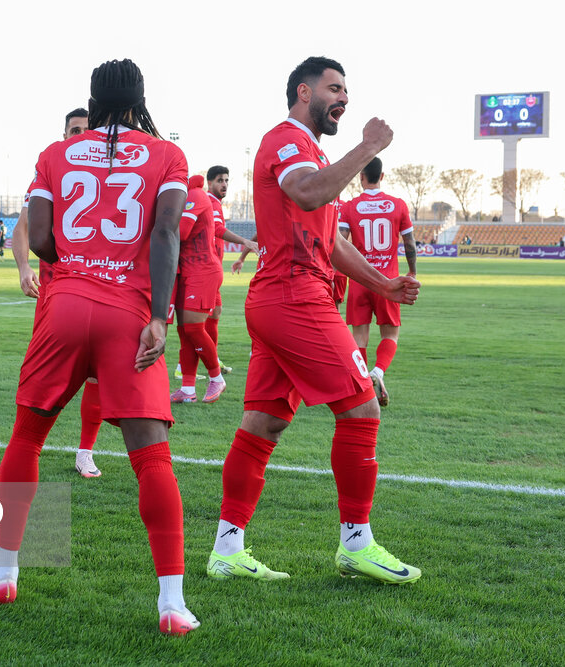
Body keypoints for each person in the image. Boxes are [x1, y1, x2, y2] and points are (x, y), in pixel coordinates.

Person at [0, 59, 200, 636]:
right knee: (151, 458)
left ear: (93, 100)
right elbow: (165, 232)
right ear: (139, 101)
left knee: (27, 437)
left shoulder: (56, 153)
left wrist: (78, 269)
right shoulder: (167, 155)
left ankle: (3, 573)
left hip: (65, 304)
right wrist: (158, 316)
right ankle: (172, 604)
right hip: (130, 313)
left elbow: (41, 236)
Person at [206, 56, 422, 586]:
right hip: (294, 297)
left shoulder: (312, 153)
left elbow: (331, 241)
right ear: (304, 92)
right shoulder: (286, 140)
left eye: (346, 90)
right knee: (363, 407)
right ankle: (356, 543)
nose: (343, 97)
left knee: (264, 422)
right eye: (334, 88)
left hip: (284, 297)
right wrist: (368, 147)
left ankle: (226, 550)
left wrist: (383, 284)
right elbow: (306, 192)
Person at [11, 108, 103, 478]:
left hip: (96, 293)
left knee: (96, 375)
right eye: (74, 130)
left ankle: (85, 452)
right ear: (64, 135)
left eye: (86, 129)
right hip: (53, 296)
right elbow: (22, 227)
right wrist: (23, 267)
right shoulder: (49, 172)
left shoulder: (109, 175)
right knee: (39, 380)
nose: (80, 135)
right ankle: (25, 445)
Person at [340, 157, 417, 406]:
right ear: (382, 176)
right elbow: (409, 243)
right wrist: (412, 271)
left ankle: (364, 386)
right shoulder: (398, 205)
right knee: (390, 335)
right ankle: (378, 372)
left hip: (360, 280)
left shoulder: (350, 207)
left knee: (359, 338)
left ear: (361, 177)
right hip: (388, 282)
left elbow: (339, 243)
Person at [170, 175, 226, 404]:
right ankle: (187, 389)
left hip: (203, 271)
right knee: (185, 333)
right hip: (186, 271)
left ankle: (217, 378)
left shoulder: (194, 194)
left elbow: (182, 232)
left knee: (194, 328)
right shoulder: (183, 196)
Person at [205, 165, 258, 375]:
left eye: (227, 180)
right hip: (206, 269)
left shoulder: (213, 203)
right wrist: (245, 241)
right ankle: (187, 367)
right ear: (209, 182)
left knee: (214, 314)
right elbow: (218, 229)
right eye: (220, 180)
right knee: (196, 322)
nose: (224, 184)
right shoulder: (211, 203)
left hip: (213, 269)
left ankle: (212, 359)